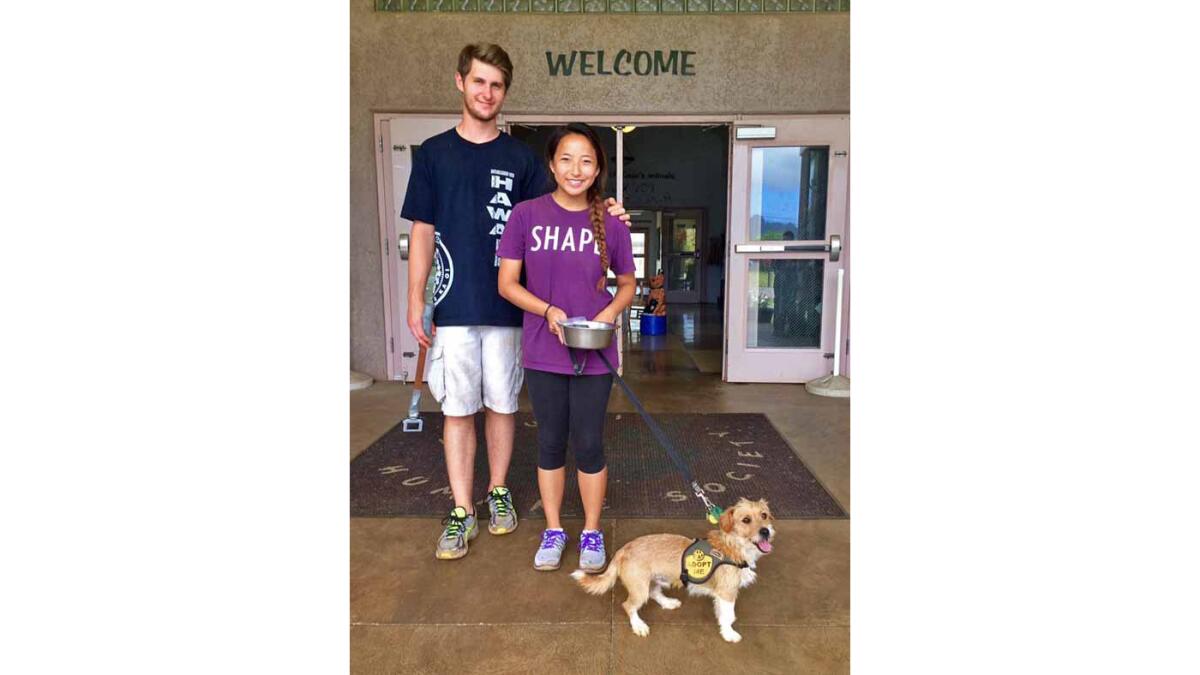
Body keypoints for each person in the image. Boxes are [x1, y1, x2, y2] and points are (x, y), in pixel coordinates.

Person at [401, 44, 629, 561]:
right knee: (457, 410)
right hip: (455, 306)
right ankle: (462, 509)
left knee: (503, 406)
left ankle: (498, 491)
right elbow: (421, 229)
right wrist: (416, 299)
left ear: (505, 92)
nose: (487, 93)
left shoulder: (522, 159)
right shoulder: (433, 153)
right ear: (461, 82)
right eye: (479, 82)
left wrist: (611, 207)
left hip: (514, 313)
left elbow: (568, 200)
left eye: (496, 85)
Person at [497, 123, 637, 573]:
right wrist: (548, 311)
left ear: (598, 170)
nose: (576, 169)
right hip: (544, 349)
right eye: (566, 159)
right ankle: (555, 529)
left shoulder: (612, 223)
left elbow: (629, 283)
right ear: (552, 165)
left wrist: (609, 313)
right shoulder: (526, 215)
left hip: (595, 352)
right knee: (551, 443)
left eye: (586, 161)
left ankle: (591, 531)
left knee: (590, 443)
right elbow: (507, 284)